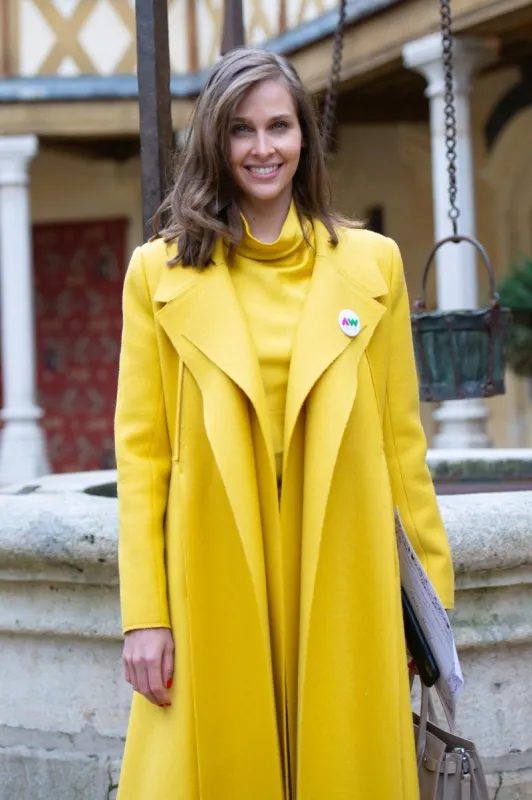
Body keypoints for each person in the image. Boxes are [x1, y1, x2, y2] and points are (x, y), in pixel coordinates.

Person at [115, 46, 454, 800]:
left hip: (342, 571)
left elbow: (403, 444)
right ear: (215, 141)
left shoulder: (375, 265)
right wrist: (146, 615)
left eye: (279, 126)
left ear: (304, 136)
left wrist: (429, 608)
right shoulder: (157, 274)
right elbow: (141, 458)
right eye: (241, 130)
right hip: (212, 573)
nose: (263, 148)